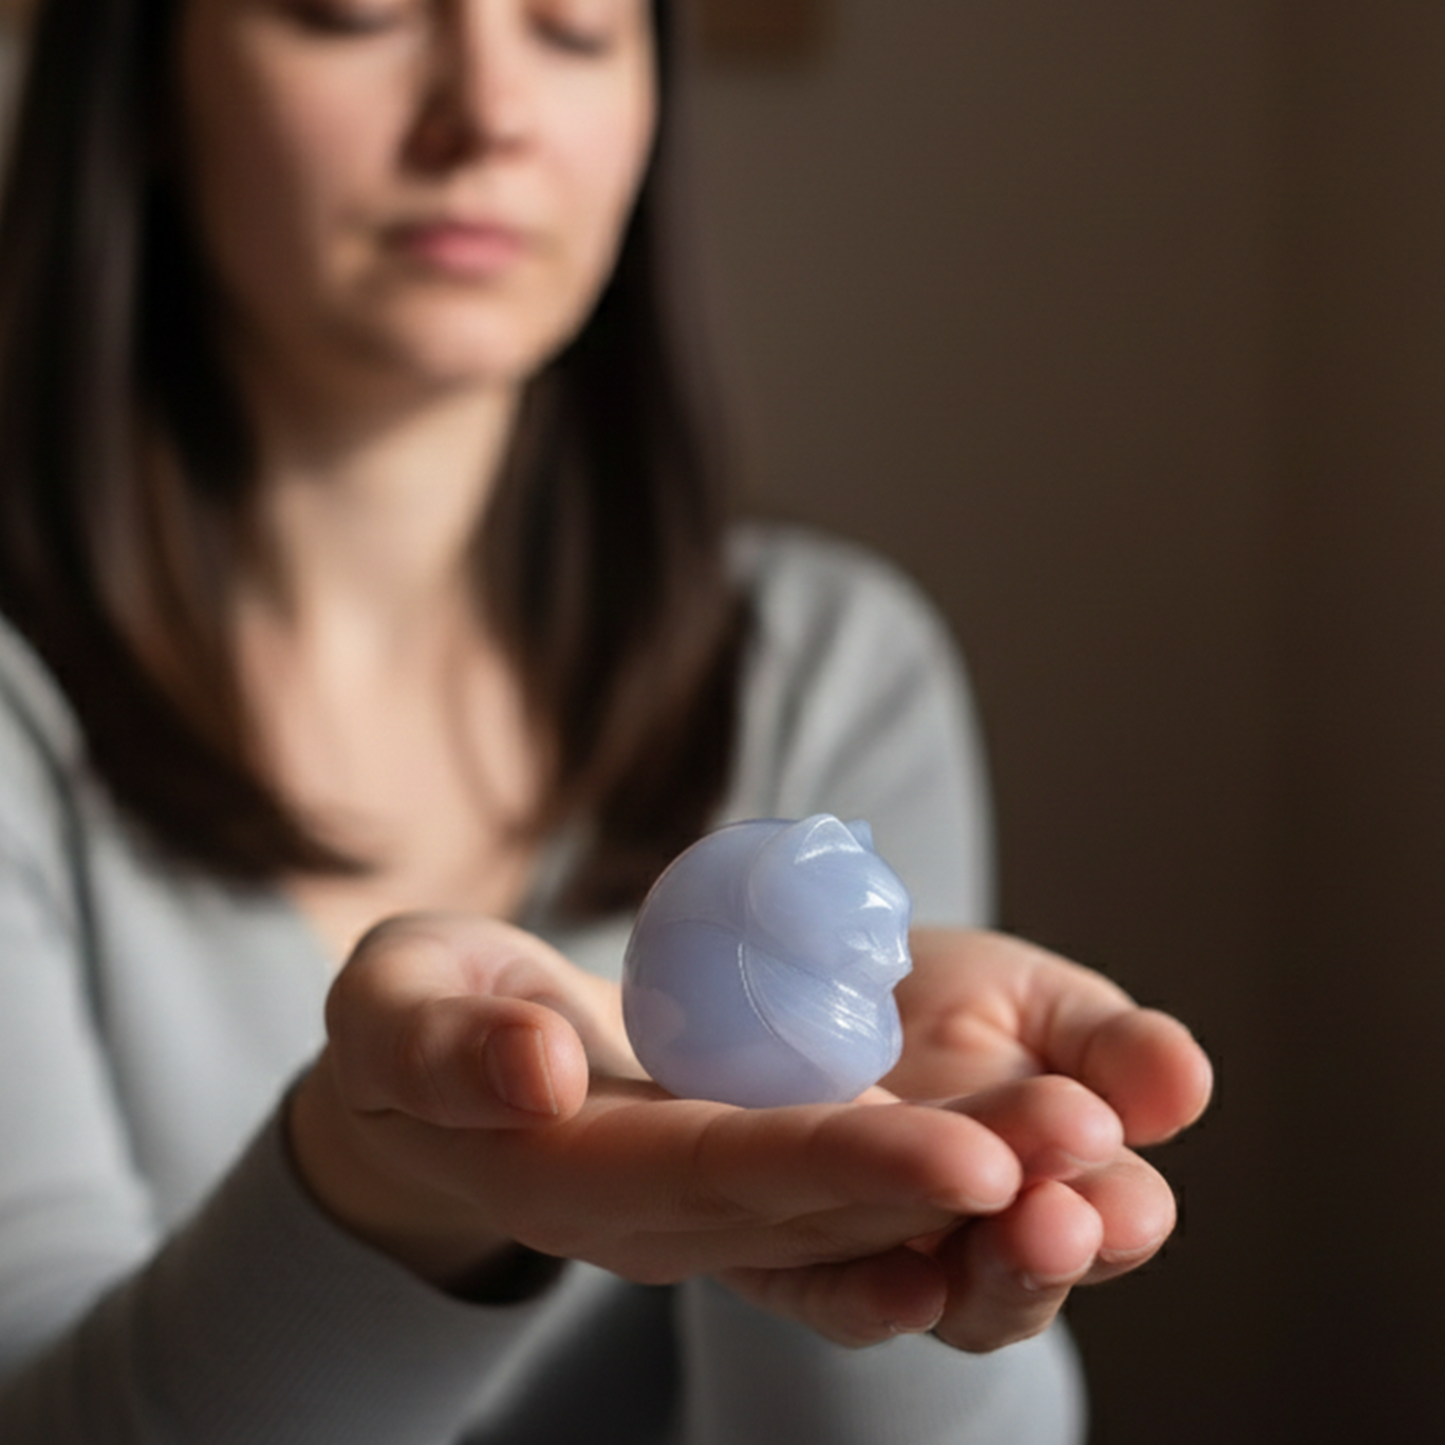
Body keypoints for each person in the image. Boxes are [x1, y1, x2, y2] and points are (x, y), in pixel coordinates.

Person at [0, 1, 1212, 1441]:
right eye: (355, 9)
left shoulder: (822, 672)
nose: (488, 112)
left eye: (573, 27)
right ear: (139, 70)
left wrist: (910, 1232)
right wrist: (383, 1192)